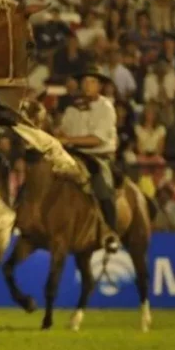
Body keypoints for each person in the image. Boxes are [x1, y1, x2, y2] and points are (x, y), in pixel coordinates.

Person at [56, 67, 120, 252]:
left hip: (98, 156)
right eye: (84, 81)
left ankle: (110, 232)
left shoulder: (106, 107)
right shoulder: (72, 108)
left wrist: (68, 140)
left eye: (91, 82)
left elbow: (97, 139)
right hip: (73, 156)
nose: (86, 85)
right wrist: (58, 134)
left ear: (99, 86)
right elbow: (63, 130)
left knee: (101, 184)